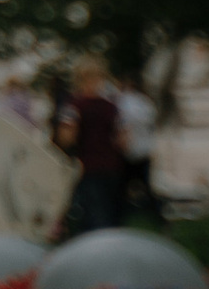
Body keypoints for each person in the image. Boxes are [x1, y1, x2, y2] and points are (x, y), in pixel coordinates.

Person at [61, 69, 124, 234]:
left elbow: (67, 138)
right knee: (111, 214)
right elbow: (123, 139)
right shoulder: (111, 106)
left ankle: (96, 252)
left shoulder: (74, 106)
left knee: (93, 216)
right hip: (112, 166)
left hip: (87, 166)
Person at [116, 73, 159, 221]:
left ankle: (123, 217)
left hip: (128, 152)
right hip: (146, 150)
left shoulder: (123, 101)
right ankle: (156, 217)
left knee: (122, 189)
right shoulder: (145, 102)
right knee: (149, 187)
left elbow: (123, 125)